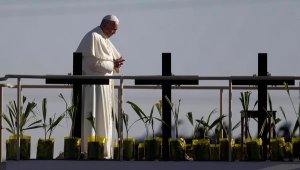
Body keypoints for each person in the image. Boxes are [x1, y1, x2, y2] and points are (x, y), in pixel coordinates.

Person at [76, 14, 125, 159]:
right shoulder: (93, 37)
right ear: (105, 25)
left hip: (105, 87)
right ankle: (89, 150)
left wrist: (115, 63)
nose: (115, 32)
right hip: (94, 88)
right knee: (93, 116)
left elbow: (115, 58)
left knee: (105, 119)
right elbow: (92, 63)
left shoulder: (105, 39)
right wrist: (112, 64)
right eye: (113, 29)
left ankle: (104, 151)